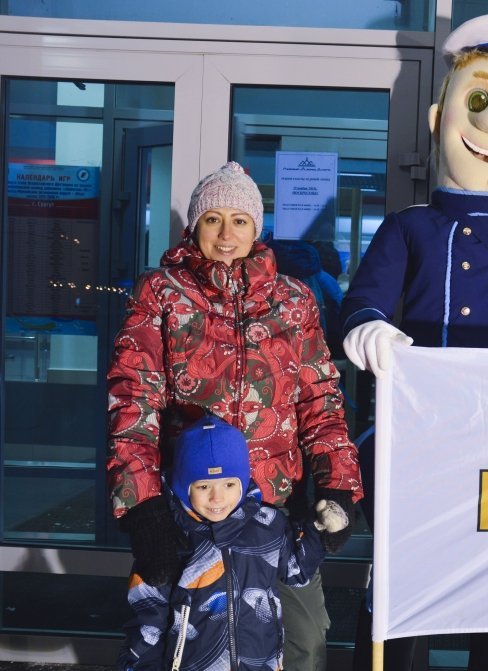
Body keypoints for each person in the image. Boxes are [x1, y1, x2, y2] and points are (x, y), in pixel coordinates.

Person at [340, 13, 488, 671]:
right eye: (478, 101)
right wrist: (368, 328)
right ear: (441, 116)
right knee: (400, 595)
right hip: (422, 445)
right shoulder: (409, 229)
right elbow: (363, 301)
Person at [107, 161, 363, 671]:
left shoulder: (293, 301)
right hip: (191, 510)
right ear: (194, 226)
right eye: (213, 220)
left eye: (240, 220)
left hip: (274, 511)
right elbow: (133, 405)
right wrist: (145, 510)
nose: (227, 234)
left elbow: (320, 403)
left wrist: (338, 488)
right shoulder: (161, 295)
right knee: (183, 649)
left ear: (257, 227)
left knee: (304, 646)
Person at [119, 414, 327, 671]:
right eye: (204, 487)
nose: (218, 498)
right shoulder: (168, 537)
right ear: (185, 486)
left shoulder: (268, 526)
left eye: (229, 484)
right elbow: (148, 614)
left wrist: (317, 529)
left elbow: (297, 571)